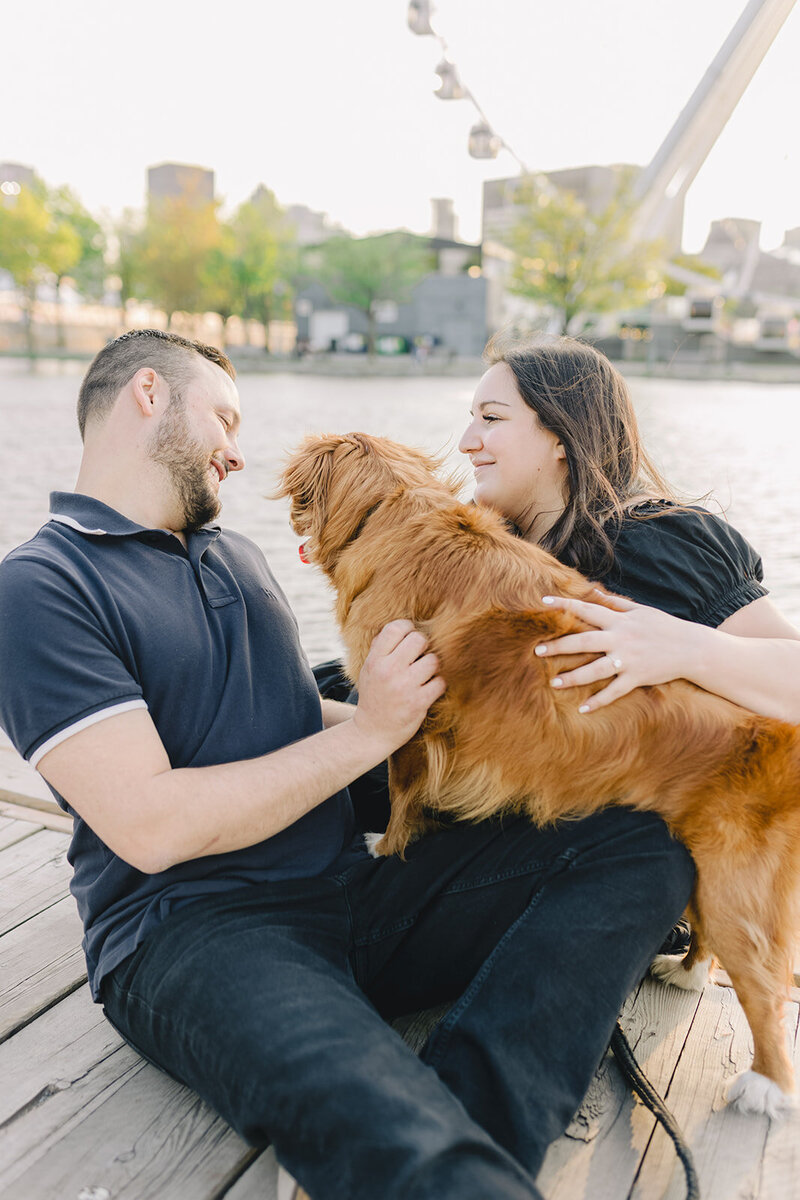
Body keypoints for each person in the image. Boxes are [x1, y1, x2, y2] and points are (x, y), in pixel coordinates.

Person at [0, 329, 693, 1200]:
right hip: (200, 932)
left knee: (641, 837)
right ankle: (437, 1159)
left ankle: (473, 1115)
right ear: (148, 394)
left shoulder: (235, 556)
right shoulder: (43, 585)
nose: (239, 454)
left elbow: (300, 718)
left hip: (351, 899)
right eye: (225, 419)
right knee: (398, 1140)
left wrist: (446, 712)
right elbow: (149, 825)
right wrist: (371, 734)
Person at [457, 334, 800, 731]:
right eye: (471, 420)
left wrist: (687, 648)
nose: (467, 443)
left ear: (562, 435)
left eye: (492, 418)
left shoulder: (657, 540)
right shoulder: (476, 557)